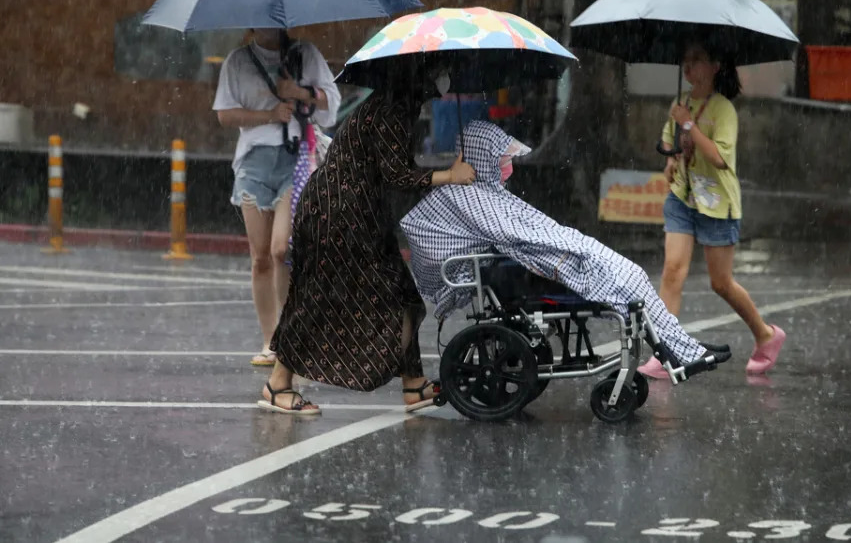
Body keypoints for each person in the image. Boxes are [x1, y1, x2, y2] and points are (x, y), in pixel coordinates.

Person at [401, 121, 730, 374]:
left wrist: (569, 239)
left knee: (634, 278)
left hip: (556, 250)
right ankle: (678, 351)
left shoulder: (488, 193)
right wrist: (574, 244)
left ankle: (682, 347)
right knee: (631, 280)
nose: (508, 165)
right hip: (551, 260)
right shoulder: (473, 197)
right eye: (503, 158)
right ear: (483, 156)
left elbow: (530, 228)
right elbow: (520, 236)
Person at [258, 65, 476, 416]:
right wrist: (450, 174)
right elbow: (397, 174)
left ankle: (413, 383)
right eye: (435, 74)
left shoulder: (398, 107)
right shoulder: (391, 110)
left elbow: (392, 168)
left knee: (402, 294)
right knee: (318, 296)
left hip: (360, 215)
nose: (440, 81)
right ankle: (277, 384)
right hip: (337, 214)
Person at [637, 40, 786, 379]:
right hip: (682, 199)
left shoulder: (723, 110)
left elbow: (719, 159)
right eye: (685, 60)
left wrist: (690, 125)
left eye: (697, 60)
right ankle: (665, 353)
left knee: (721, 283)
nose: (688, 68)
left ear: (715, 66)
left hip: (718, 205)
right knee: (673, 271)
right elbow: (669, 144)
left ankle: (765, 334)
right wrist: (673, 159)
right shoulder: (680, 102)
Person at [213, 28, 341, 367]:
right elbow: (225, 114)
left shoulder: (305, 54)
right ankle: (270, 340)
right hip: (253, 165)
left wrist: (297, 92)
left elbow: (332, 100)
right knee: (260, 258)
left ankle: (290, 335)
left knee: (282, 249)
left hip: (295, 159)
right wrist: (270, 115)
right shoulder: (238, 61)